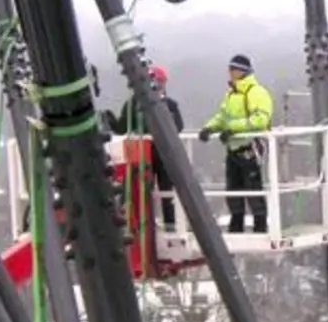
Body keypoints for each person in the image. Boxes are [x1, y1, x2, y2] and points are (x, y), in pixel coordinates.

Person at [198, 54, 274, 233]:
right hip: (233, 148)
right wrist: (209, 128)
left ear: (241, 71)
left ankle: (260, 225)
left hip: (250, 146)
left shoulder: (256, 92)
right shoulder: (231, 94)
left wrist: (233, 129)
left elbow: (261, 119)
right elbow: (222, 117)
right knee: (233, 188)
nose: (230, 73)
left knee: (253, 187)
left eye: (232, 69)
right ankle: (236, 223)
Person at [105, 64, 183, 230]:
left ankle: (169, 224)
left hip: (163, 152)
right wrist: (110, 120)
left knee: (165, 188)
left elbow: (178, 127)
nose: (161, 85)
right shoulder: (134, 105)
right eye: (158, 81)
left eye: (162, 82)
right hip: (143, 152)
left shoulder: (169, 105)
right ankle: (144, 224)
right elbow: (122, 128)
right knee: (142, 188)